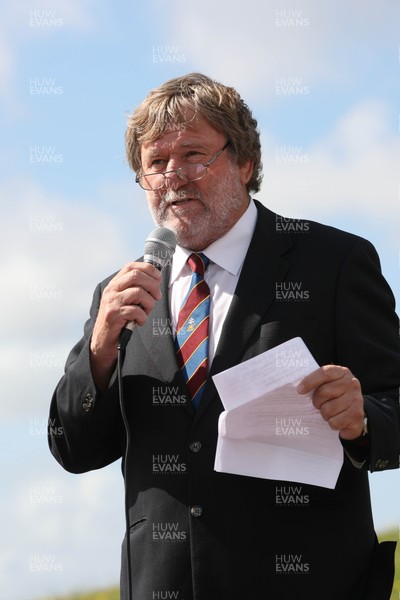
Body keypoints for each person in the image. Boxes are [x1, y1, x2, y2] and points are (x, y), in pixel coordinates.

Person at [49, 72, 400, 600]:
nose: (173, 176)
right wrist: (98, 353)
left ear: (244, 162)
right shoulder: (119, 296)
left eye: (194, 154)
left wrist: (363, 419)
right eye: (155, 164)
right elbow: (72, 448)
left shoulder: (333, 263)